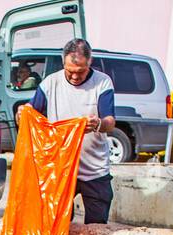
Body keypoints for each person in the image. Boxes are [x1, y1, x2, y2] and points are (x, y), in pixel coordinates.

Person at [24, 38, 117, 223]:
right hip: (61, 169)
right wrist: (22, 113)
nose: (75, 77)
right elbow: (32, 114)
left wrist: (98, 124)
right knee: (57, 224)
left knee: (96, 227)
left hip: (94, 169)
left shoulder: (102, 82)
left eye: (81, 72)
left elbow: (110, 121)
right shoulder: (51, 83)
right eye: (70, 71)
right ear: (63, 63)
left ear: (90, 62)